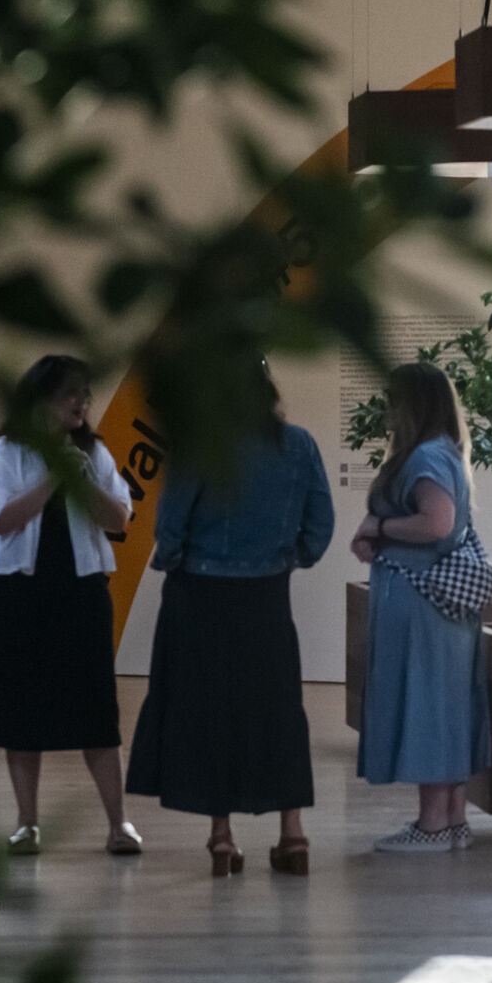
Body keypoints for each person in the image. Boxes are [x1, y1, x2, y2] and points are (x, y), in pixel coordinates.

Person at [126, 363, 333, 877]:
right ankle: (293, 834)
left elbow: (171, 523)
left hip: (200, 595)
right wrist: (287, 557)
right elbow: (320, 525)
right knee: (279, 709)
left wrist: (175, 561)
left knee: (210, 710)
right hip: (267, 598)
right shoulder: (301, 445)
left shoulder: (201, 445)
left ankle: (221, 837)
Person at [0, 355, 141, 856]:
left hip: (81, 595)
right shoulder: (8, 451)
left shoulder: (94, 452)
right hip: (16, 598)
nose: (83, 403)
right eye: (73, 394)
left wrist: (80, 477)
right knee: (19, 711)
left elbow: (119, 519)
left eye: (86, 395)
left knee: (96, 710)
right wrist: (51, 479)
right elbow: (0, 521)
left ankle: (119, 824)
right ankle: (27, 823)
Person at [352, 362, 491, 852]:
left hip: (420, 603)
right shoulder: (446, 453)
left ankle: (431, 825)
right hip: (446, 609)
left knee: (425, 704)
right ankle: (452, 821)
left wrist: (380, 529)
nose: (387, 409)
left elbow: (436, 523)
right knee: (448, 705)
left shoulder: (424, 456)